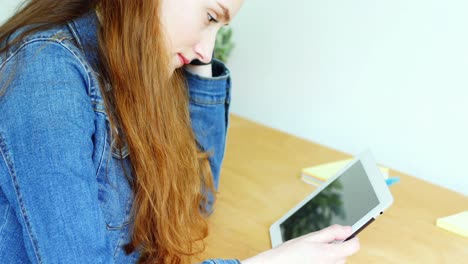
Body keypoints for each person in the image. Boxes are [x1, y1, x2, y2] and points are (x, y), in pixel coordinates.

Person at [0, 0, 360, 263]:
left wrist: (196, 65)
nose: (207, 50)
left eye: (220, 27)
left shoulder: (135, 62)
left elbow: (194, 201)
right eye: (209, 17)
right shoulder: (45, 76)